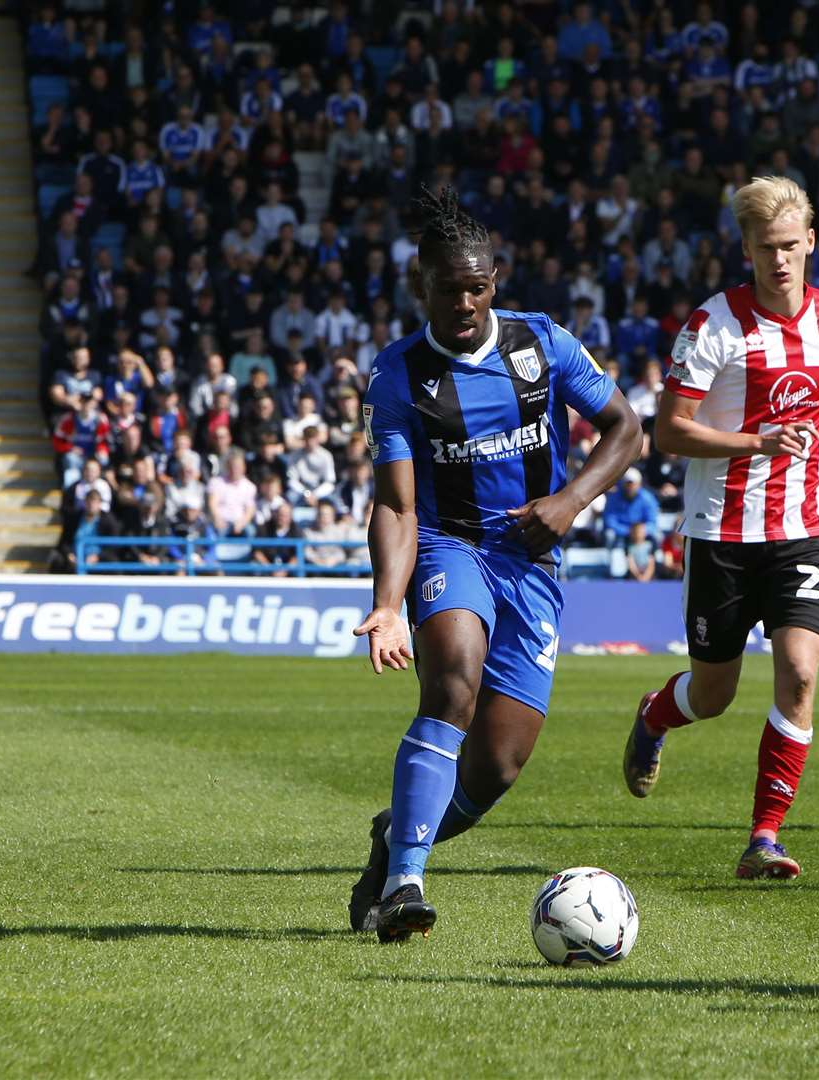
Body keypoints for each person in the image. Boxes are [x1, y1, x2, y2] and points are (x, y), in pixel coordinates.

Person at [347, 186, 641, 942]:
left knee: (497, 767)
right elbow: (397, 504)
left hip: (531, 561)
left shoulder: (542, 345)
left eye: (477, 287)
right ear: (423, 286)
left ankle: (394, 840)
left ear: (494, 282)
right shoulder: (398, 376)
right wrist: (387, 601)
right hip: (452, 545)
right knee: (452, 678)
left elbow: (624, 428)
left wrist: (569, 502)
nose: (465, 302)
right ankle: (407, 885)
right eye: (450, 289)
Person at [621, 175, 819, 880]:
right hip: (722, 531)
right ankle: (654, 716)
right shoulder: (713, 327)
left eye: (791, 246)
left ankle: (764, 835)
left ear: (811, 244)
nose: (779, 260)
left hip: (808, 526)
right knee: (712, 696)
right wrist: (754, 442)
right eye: (766, 248)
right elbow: (669, 433)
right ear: (745, 248)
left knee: (800, 673)